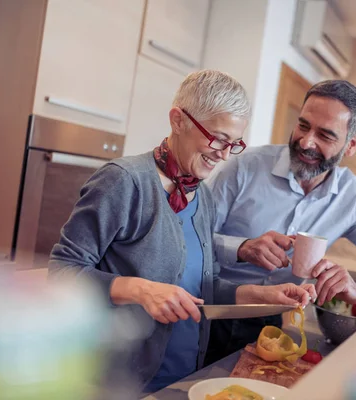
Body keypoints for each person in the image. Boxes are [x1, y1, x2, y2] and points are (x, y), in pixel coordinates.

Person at [48, 70, 315, 394]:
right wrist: (140, 289)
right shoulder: (124, 181)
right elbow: (62, 271)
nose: (223, 154)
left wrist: (266, 297)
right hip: (121, 384)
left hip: (185, 380)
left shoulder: (202, 196)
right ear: (178, 120)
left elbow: (205, 287)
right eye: (217, 138)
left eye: (234, 143)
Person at [204, 79, 356, 365]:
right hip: (211, 309)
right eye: (303, 125)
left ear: (352, 144)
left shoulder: (354, 197)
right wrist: (241, 248)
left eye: (325, 135)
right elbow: (185, 239)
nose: (307, 142)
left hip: (271, 325)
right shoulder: (244, 167)